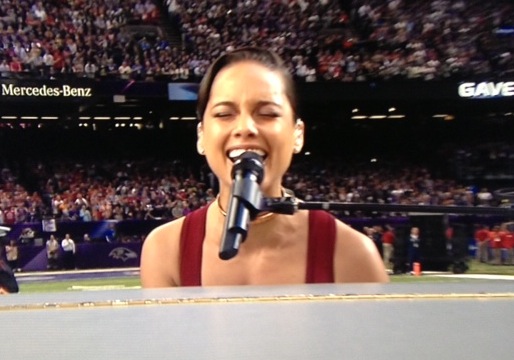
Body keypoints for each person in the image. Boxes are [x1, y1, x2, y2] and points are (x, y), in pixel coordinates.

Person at [140, 47, 388, 287]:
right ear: (201, 136)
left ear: (297, 134)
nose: (245, 127)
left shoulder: (352, 254)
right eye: (224, 114)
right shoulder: (165, 251)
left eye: (268, 113)